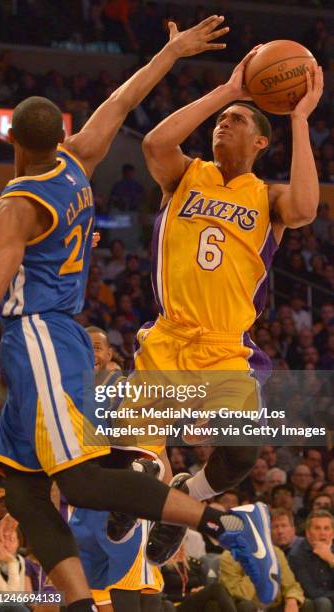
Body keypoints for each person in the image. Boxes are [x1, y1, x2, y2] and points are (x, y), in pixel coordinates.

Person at [0, 16, 276, 612]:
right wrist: (170, 53)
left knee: (83, 482)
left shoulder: (13, 208)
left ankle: (215, 521)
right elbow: (121, 100)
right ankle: (77, 602)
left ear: (11, 138)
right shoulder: (77, 164)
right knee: (23, 491)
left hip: (37, 334)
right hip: (52, 333)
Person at [118, 37, 323, 582]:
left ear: (261, 140)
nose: (222, 125)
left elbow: (306, 206)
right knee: (132, 461)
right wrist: (227, 90)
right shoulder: (185, 174)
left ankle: (192, 492)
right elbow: (157, 142)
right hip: (167, 338)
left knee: (239, 455)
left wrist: (300, 117)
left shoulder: (269, 197)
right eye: (220, 120)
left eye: (235, 120)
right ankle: (150, 502)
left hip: (224, 346)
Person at [288, 510, 334, 611]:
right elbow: (310, 591)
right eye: (317, 528)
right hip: (311, 601)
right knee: (323, 602)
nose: (322, 532)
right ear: (308, 533)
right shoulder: (296, 555)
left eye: (326, 528)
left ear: (333, 534)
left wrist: (331, 558)